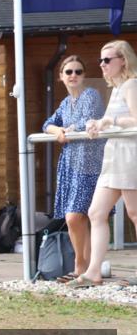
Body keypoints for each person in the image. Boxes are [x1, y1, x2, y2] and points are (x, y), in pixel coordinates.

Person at [71, 41, 137, 288]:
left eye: (107, 60)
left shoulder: (131, 84)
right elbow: (115, 121)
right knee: (96, 212)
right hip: (114, 156)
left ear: (123, 60)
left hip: (130, 154)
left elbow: (135, 119)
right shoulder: (118, 87)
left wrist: (108, 120)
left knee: (134, 213)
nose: (102, 65)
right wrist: (96, 123)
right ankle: (93, 272)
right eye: (100, 60)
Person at [41, 56, 106, 281]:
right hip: (70, 164)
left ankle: (80, 265)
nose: (73, 76)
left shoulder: (91, 95)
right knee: (80, 217)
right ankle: (87, 269)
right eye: (69, 72)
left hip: (89, 163)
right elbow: (47, 124)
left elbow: (86, 121)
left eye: (78, 71)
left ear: (84, 75)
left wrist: (65, 131)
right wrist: (58, 131)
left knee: (74, 217)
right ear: (61, 77)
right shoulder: (65, 103)